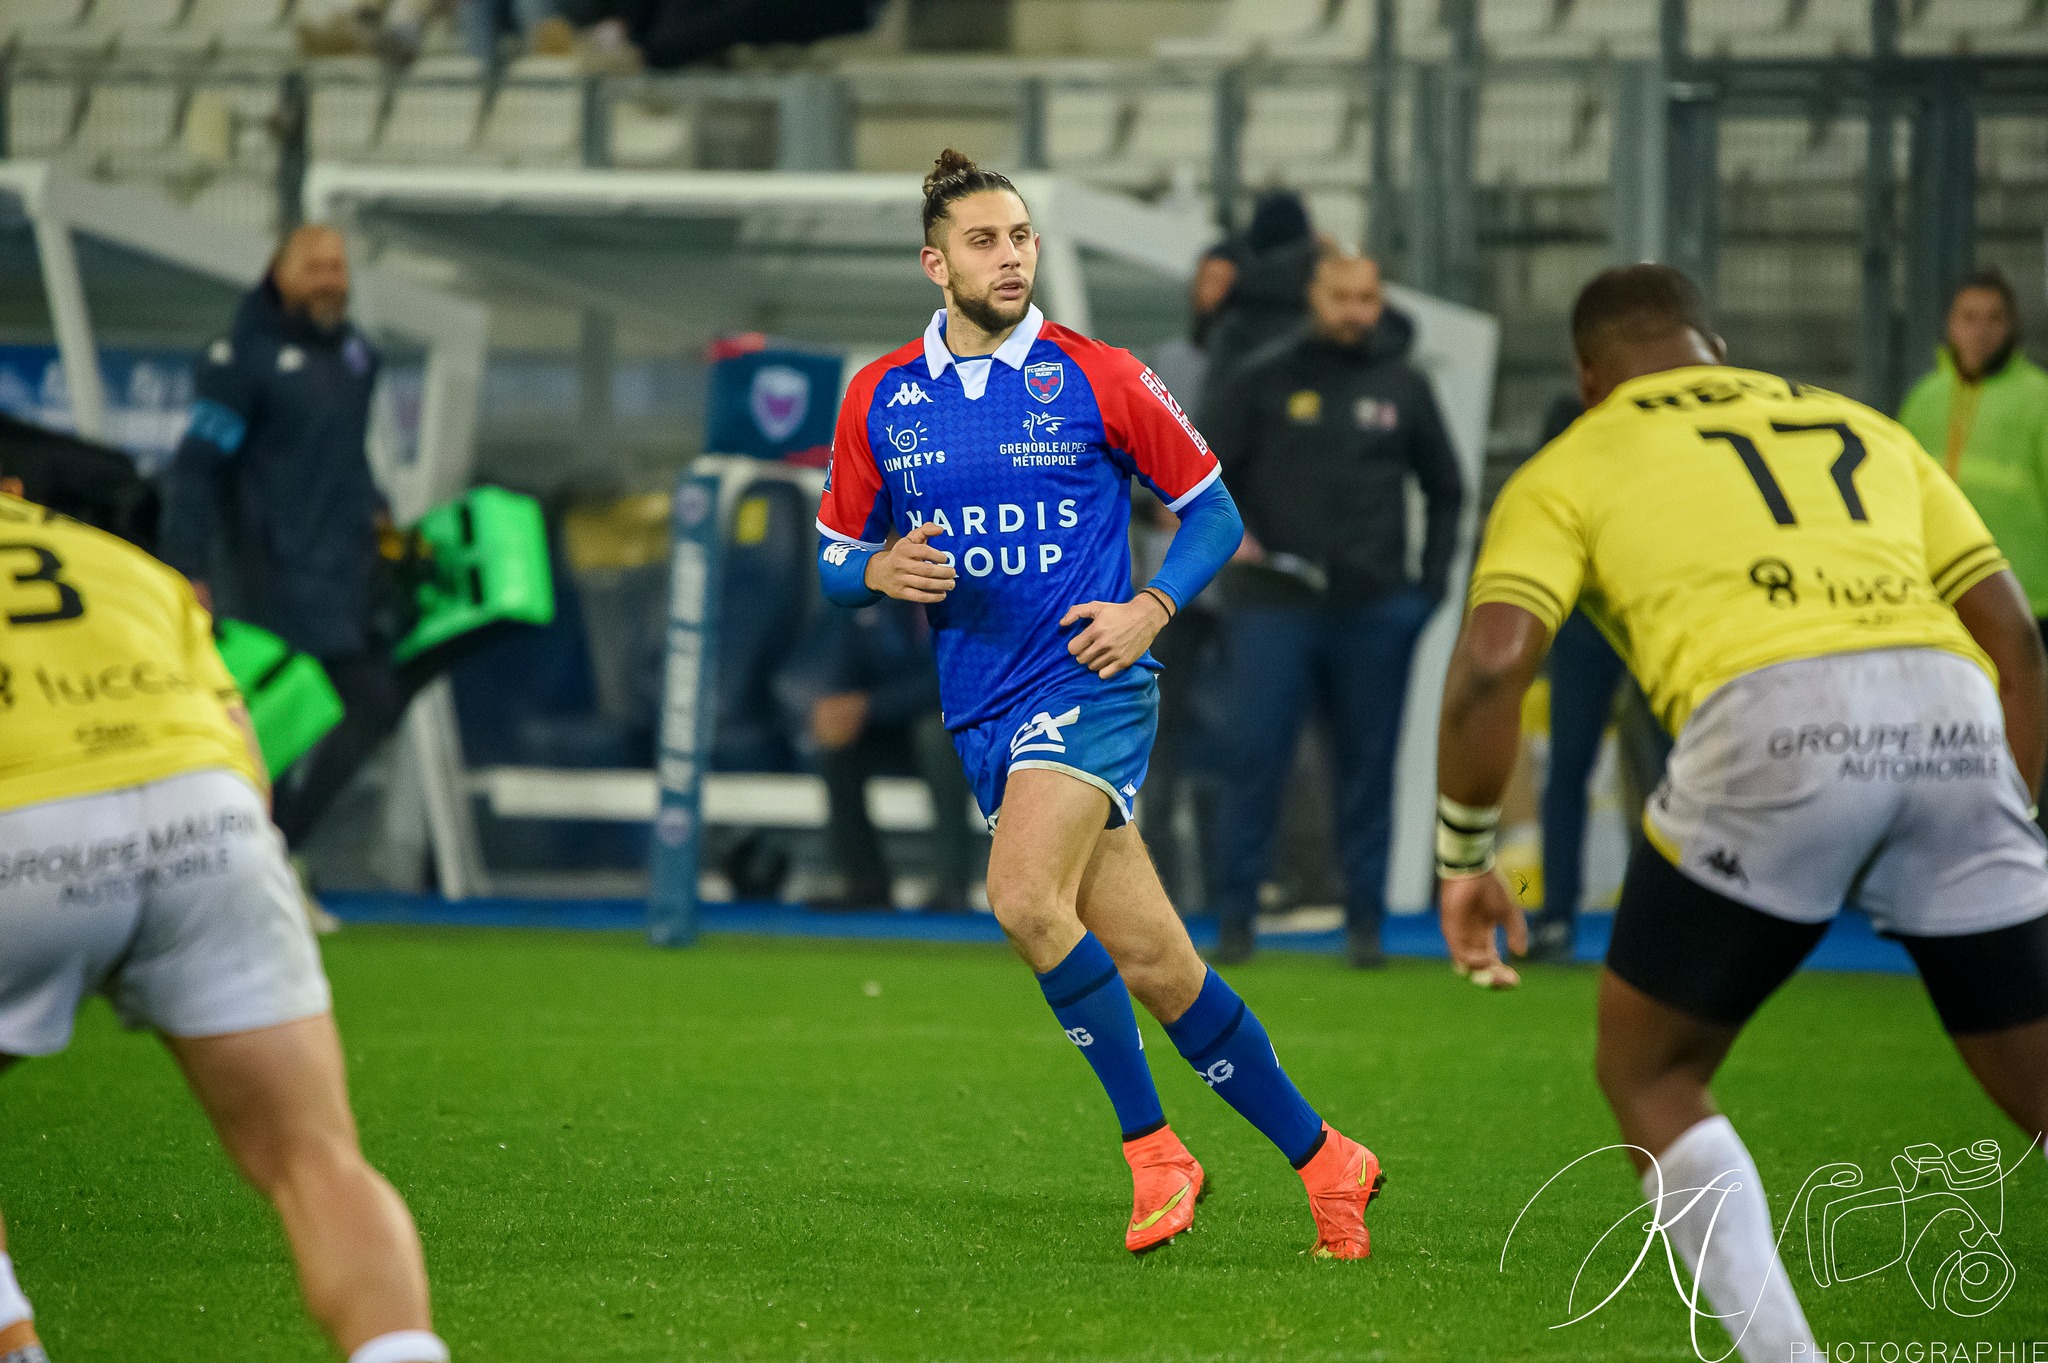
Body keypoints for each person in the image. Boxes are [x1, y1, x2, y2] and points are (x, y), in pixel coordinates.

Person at [1435, 263, 2048, 1362]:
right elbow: (2017, 643)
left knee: (1648, 1068)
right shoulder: (1861, 423)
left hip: (1772, 721)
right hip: (1952, 712)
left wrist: (1466, 856)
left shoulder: (1571, 460)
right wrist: (2002, 820)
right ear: (1711, 347)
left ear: (1589, 377)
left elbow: (1489, 665)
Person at [814, 150, 1383, 1259]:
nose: (1010, 256)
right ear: (935, 264)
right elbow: (834, 557)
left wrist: (1149, 609)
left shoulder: (1100, 375)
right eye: (984, 241)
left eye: (1020, 236)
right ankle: (1327, 1159)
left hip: (1092, 684)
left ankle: (1154, 1150)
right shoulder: (880, 396)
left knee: (1023, 897)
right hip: (981, 711)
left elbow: (1214, 510)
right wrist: (875, 568)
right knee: (1161, 965)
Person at [0, 479, 447, 1363]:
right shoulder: (124, 565)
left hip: (22, 819)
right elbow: (248, 757)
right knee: (316, 1157)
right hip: (208, 817)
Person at [1204, 251, 1465, 967]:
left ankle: (1365, 926)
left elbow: (1446, 488)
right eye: (1342, 296)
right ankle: (1235, 920)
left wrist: (1429, 589)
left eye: (1367, 298)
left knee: (1368, 768)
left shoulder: (1404, 385)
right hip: (1273, 606)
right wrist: (1231, 538)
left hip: (1374, 609)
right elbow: (1200, 476)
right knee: (1256, 758)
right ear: (1313, 297)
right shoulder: (1262, 377)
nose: (1355, 311)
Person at [159, 226, 417, 857]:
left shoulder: (356, 356)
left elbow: (344, 454)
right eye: (315, 268)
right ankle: (234, 853)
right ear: (279, 272)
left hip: (340, 577)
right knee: (259, 726)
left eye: (338, 267)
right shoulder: (239, 361)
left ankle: (278, 844)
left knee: (373, 702)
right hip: (264, 579)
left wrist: (377, 510)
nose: (330, 280)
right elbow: (195, 468)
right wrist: (186, 569)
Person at [784, 600, 975, 912]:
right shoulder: (876, 600)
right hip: (891, 726)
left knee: (934, 734)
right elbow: (850, 666)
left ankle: (952, 884)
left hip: (959, 727)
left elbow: (952, 680)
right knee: (838, 742)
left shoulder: (968, 600)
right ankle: (864, 883)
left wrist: (870, 706)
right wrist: (839, 707)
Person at [1899, 268, 2048, 652]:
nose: (1981, 331)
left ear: (2012, 327)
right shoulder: (1924, 397)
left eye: (1994, 319)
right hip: (1941, 596)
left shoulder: (2039, 398)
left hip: (2026, 601)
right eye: (1968, 318)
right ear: (1949, 325)